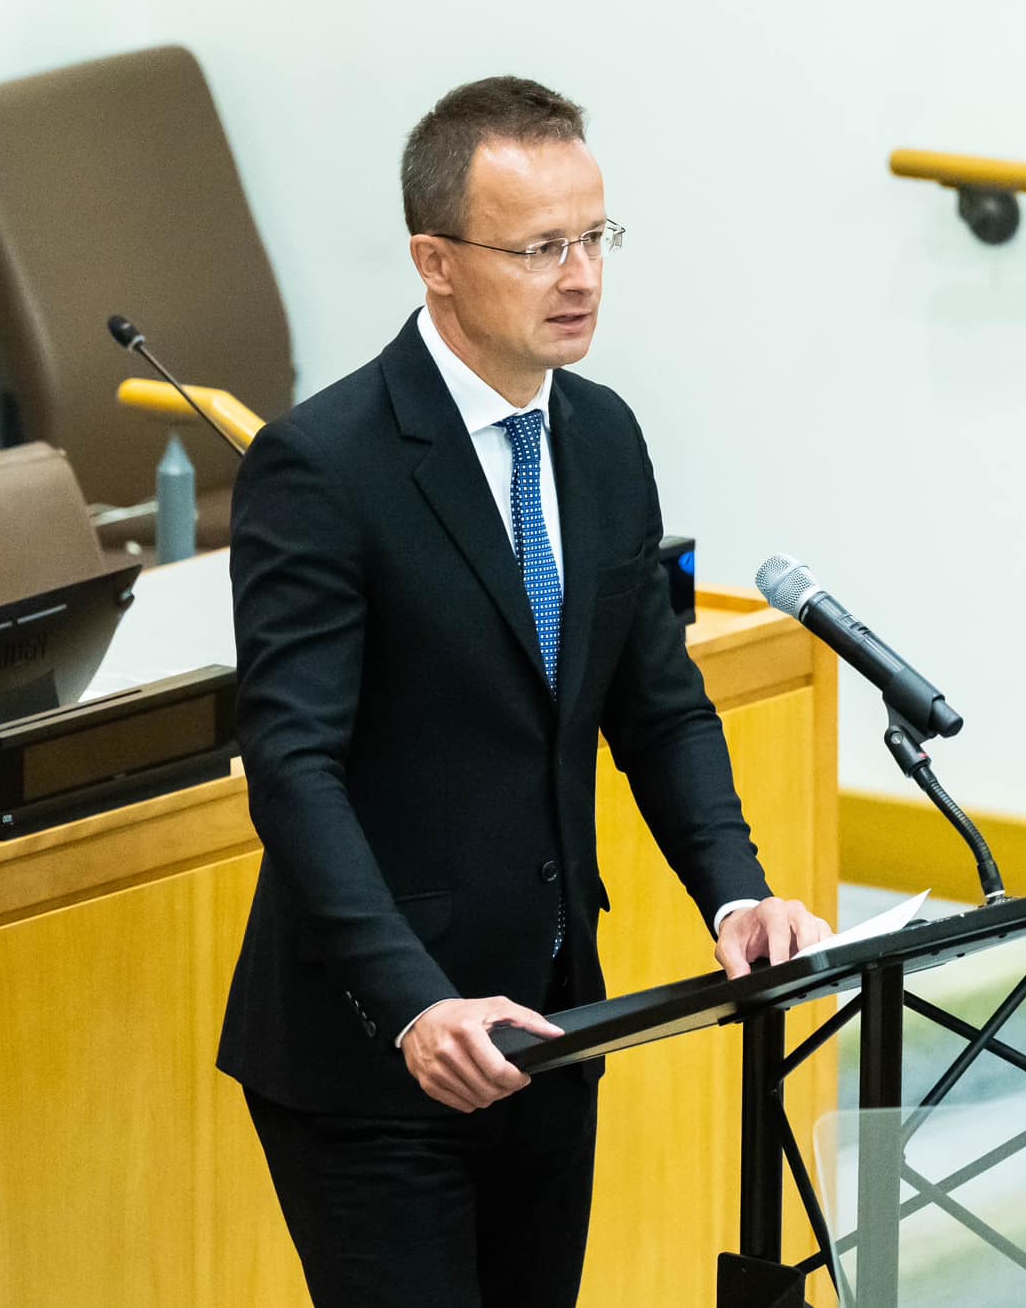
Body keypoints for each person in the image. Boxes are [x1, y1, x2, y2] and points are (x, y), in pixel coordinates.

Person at [216, 75, 831, 1308]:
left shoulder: (600, 438)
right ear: (434, 262)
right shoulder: (322, 467)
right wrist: (412, 1003)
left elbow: (656, 705)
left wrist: (736, 892)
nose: (580, 277)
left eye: (594, 238)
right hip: (381, 1051)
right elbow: (292, 770)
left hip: (552, 1024)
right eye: (540, 247)